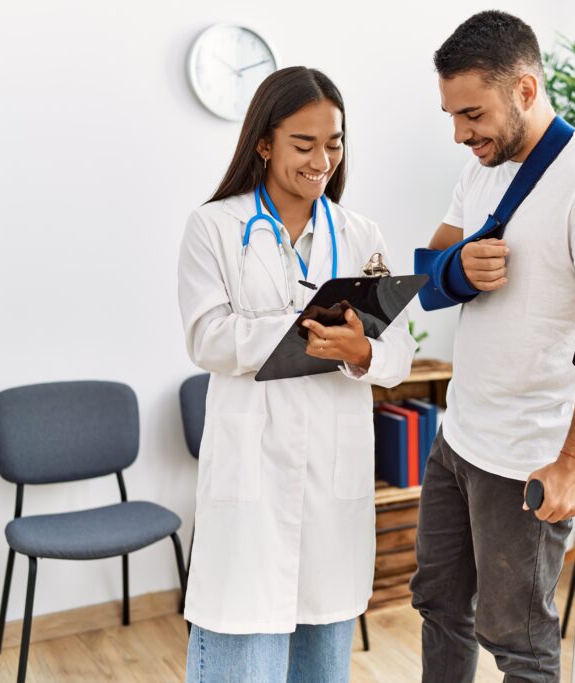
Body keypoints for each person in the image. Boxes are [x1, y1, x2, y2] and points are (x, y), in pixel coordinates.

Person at [409, 11, 575, 682]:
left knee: (518, 643)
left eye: (472, 113)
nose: (461, 134)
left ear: (523, 89)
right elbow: (428, 269)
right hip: (458, 439)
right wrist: (458, 269)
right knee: (438, 603)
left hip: (526, 459)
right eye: (451, 115)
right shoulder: (481, 169)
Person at [177, 66, 416, 683]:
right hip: (250, 484)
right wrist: (305, 333)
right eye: (303, 144)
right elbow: (207, 337)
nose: (322, 160)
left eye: (333, 143)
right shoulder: (215, 227)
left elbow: (400, 353)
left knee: (321, 663)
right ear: (264, 142)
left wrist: (362, 353)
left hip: (331, 490)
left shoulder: (360, 233)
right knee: (241, 657)